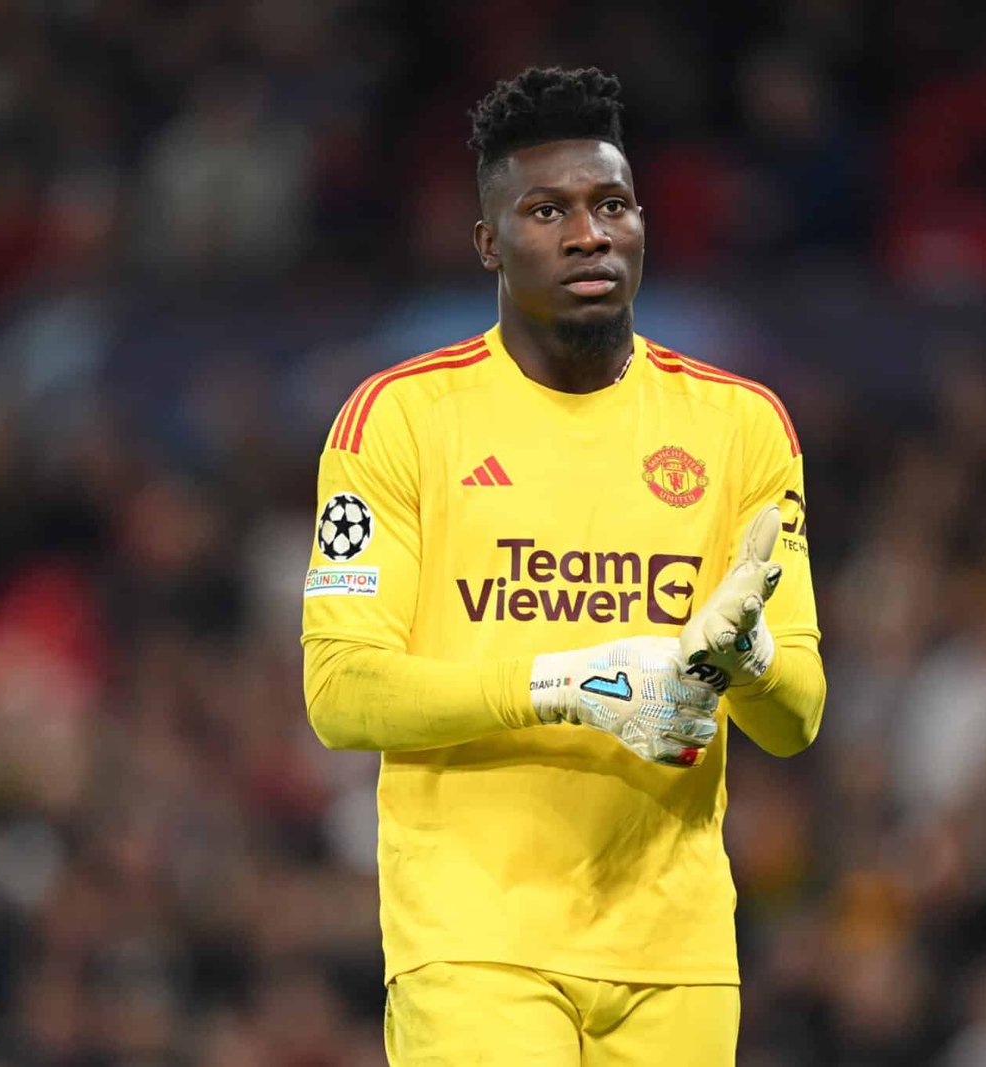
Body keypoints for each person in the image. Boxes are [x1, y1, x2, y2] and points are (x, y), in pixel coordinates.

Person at [300, 66, 826, 1065]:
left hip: (675, 949)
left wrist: (749, 657)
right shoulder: (399, 418)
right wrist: (566, 684)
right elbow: (340, 691)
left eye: (612, 204)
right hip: (474, 939)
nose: (589, 234)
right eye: (548, 211)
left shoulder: (742, 425)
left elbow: (795, 719)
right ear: (488, 244)